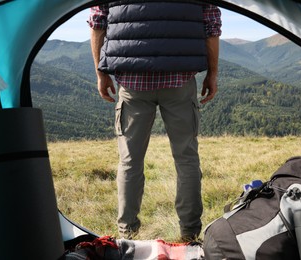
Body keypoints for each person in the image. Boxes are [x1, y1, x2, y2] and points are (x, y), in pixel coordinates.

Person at [88, 1, 221, 241]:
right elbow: (211, 25)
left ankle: (128, 234)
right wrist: (212, 73)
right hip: (179, 78)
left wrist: (101, 73)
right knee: (187, 158)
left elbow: (98, 21)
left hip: (132, 79)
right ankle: (189, 235)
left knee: (130, 161)